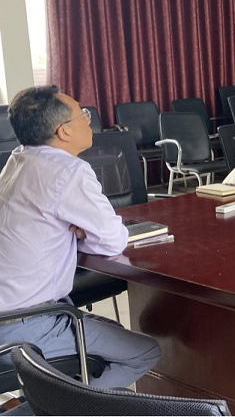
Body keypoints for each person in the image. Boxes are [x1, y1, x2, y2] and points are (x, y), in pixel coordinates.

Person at [0, 86, 161, 389]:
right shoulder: (68, 171)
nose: (89, 120)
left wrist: (81, 230)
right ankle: (58, 406)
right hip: (27, 325)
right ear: (64, 131)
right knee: (145, 351)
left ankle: (54, 398)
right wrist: (85, 231)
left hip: (14, 316)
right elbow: (113, 241)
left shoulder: (17, 159)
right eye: (82, 114)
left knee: (110, 334)